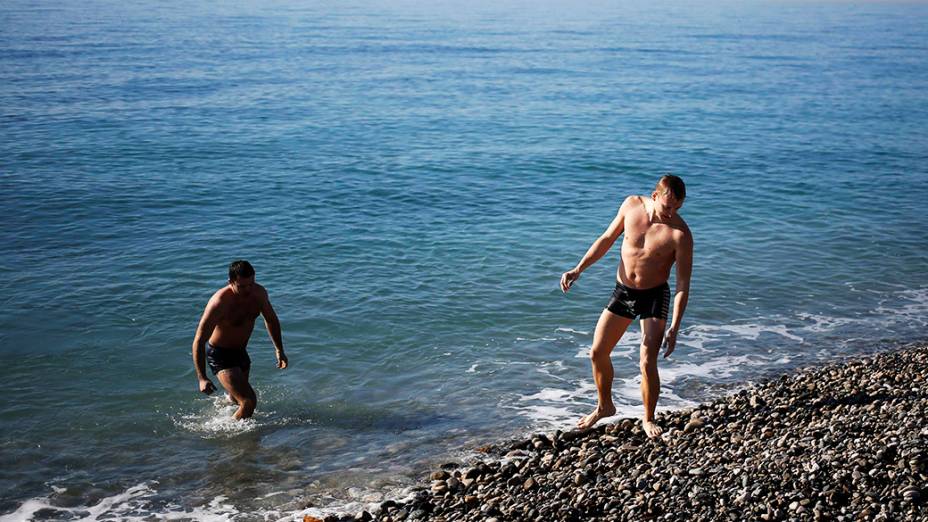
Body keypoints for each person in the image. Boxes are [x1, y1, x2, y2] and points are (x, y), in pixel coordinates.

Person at [561, 175, 692, 437]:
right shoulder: (631, 206)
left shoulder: (680, 235)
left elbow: (682, 286)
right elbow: (607, 239)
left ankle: (648, 418)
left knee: (646, 361)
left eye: (677, 208)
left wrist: (675, 326)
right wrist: (579, 269)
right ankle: (605, 406)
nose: (671, 213)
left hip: (654, 296)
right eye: (668, 206)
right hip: (623, 292)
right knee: (597, 352)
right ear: (655, 196)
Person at [192, 260, 289, 419]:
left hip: (240, 352)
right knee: (249, 401)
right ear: (230, 282)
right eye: (242, 286)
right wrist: (202, 378)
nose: (248, 290)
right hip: (220, 355)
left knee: (235, 399)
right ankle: (231, 437)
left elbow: (271, 320)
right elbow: (199, 339)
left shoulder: (259, 294)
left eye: (251, 284)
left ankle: (222, 420)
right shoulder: (220, 302)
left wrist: (279, 349)